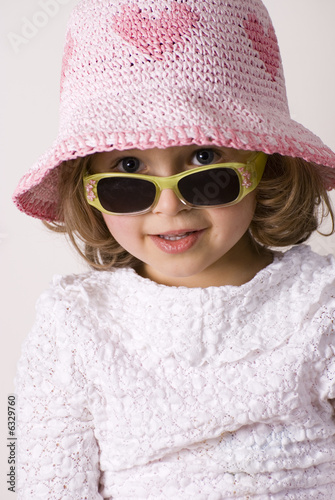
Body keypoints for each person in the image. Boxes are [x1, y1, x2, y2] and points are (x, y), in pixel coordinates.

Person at [12, 0, 335, 498]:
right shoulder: (71, 328)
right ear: (87, 185)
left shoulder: (322, 307)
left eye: (205, 158)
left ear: (265, 164)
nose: (169, 205)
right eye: (128, 170)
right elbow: (41, 483)